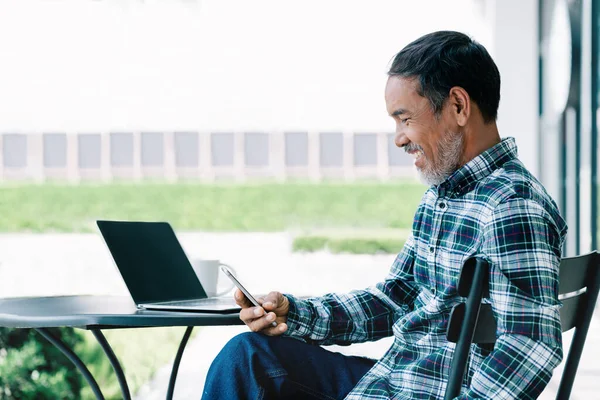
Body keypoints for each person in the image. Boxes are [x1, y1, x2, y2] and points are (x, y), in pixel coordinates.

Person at [202, 30, 567, 399]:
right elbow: (393, 300)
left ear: (458, 106)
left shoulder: (511, 205)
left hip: (421, 391)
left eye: (404, 118)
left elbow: (531, 346)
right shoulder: (444, 198)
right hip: (393, 380)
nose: (399, 138)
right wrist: (293, 314)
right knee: (247, 357)